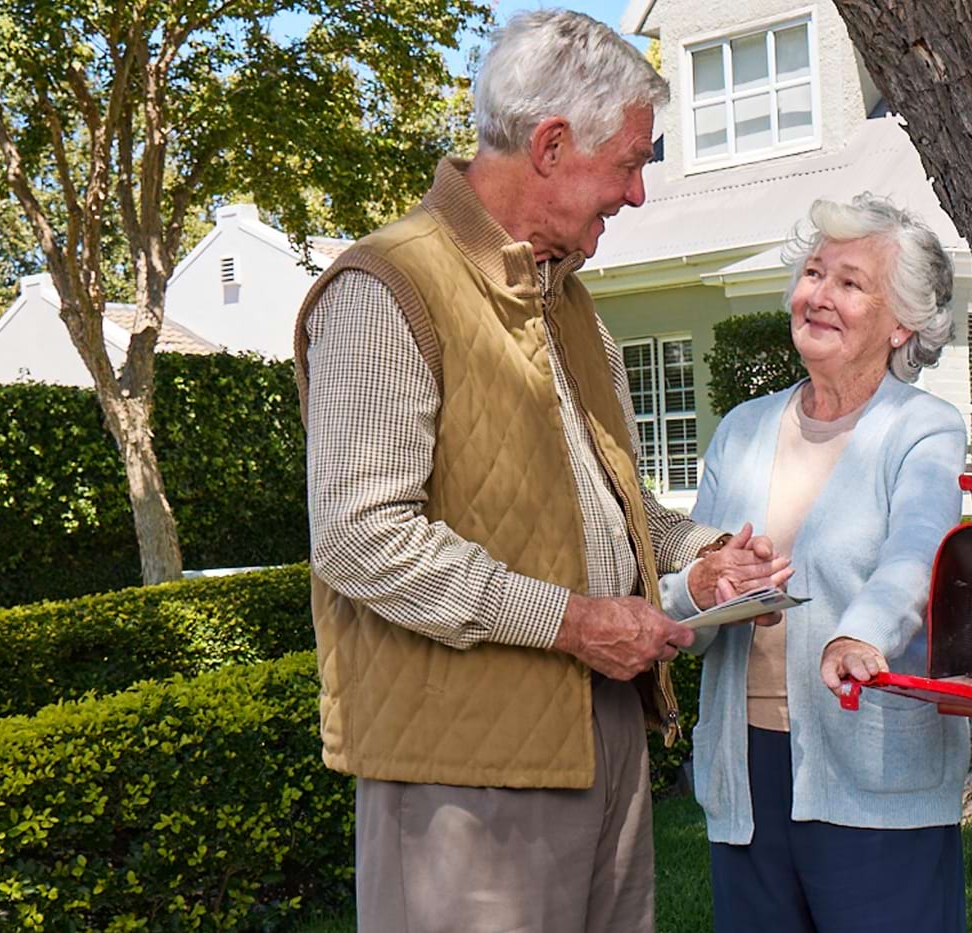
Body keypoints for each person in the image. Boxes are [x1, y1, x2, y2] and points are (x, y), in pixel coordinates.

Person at [293, 11, 789, 933]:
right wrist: (573, 622)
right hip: (463, 766)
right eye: (630, 162)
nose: (638, 193)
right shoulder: (386, 286)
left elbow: (612, 500)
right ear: (552, 145)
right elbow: (361, 537)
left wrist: (706, 553)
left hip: (599, 730)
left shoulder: (569, 303)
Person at [661, 194, 971, 933]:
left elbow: (918, 552)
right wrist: (700, 587)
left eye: (850, 282)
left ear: (901, 324)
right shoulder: (742, 429)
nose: (819, 295)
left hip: (873, 760)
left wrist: (860, 634)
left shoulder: (922, 428)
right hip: (744, 764)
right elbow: (686, 585)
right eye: (813, 273)